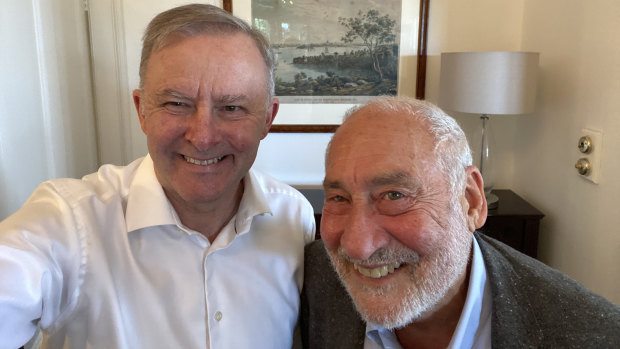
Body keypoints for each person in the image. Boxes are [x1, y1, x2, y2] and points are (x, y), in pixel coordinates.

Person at [0, 4, 315, 348]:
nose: (203, 136)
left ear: (267, 119)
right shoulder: (68, 222)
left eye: (232, 107)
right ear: (142, 111)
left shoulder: (293, 218)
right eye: (177, 104)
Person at [300, 96, 620, 348]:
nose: (357, 245)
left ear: (472, 201)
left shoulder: (592, 335)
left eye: (394, 196)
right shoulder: (312, 277)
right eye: (339, 198)